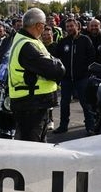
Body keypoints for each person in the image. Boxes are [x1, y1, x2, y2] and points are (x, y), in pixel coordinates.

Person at [8, 8, 65, 142]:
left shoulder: (28, 40)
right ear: (38, 25)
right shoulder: (27, 45)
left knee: (37, 144)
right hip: (30, 104)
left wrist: (54, 62)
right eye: (44, 25)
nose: (44, 28)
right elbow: (55, 70)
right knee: (31, 147)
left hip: (33, 103)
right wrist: (58, 63)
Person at [53, 18, 96, 134]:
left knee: (85, 103)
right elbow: (56, 57)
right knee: (64, 104)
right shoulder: (63, 42)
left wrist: (86, 71)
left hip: (82, 78)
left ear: (77, 26)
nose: (69, 28)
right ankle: (63, 126)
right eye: (67, 26)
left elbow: (92, 56)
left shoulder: (85, 40)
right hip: (66, 79)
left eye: (71, 26)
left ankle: (90, 127)